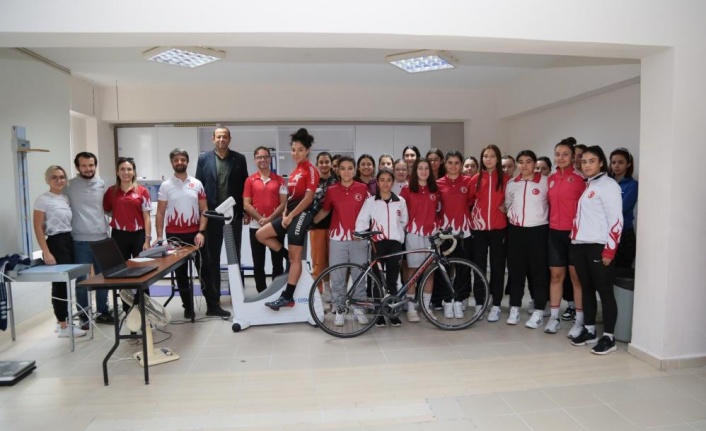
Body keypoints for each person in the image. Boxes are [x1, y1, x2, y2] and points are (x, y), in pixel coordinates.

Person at [257, 128, 319, 310]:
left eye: (300, 150)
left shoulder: (310, 170)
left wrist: (291, 215)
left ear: (307, 151)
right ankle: (288, 258)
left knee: (295, 258)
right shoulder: (294, 171)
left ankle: (288, 297)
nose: (296, 153)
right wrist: (285, 214)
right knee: (261, 235)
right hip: (289, 214)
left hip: (302, 215)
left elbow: (308, 198)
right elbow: (290, 197)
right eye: (293, 150)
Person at [569, 146, 623, 355]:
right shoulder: (589, 184)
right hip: (580, 246)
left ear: (601, 163)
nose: (587, 165)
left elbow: (616, 220)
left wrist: (610, 250)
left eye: (592, 161)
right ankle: (590, 331)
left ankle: (609, 337)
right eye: (583, 161)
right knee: (587, 289)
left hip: (598, 247)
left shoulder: (608, 185)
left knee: (605, 292)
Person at [195, 126, 248, 318]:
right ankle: (214, 299)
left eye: (225, 136)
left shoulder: (239, 159)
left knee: (235, 257)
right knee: (212, 259)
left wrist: (244, 211)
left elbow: (244, 187)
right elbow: (199, 188)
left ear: (229, 139)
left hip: (233, 216)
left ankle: (237, 295)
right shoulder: (204, 159)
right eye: (218, 137)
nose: (221, 139)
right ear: (213, 139)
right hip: (212, 216)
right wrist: (202, 214)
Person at [313, 156, 370, 324]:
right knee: (337, 275)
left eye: (350, 168)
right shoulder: (332, 190)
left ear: (354, 170)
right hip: (337, 238)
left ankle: (359, 309)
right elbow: (325, 211)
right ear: (338, 171)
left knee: (359, 274)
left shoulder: (363, 188)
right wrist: (309, 222)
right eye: (343, 168)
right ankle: (340, 309)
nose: (346, 172)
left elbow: (370, 212)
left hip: (358, 238)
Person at [33, 165, 87, 338]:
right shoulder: (42, 199)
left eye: (62, 177)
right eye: (54, 177)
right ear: (47, 179)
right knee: (60, 285)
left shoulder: (64, 198)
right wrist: (46, 252)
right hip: (55, 243)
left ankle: (60, 322)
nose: (59, 180)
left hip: (68, 241)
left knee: (66, 282)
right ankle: (64, 326)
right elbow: (38, 227)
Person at [154, 149, 208, 318]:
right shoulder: (166, 185)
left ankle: (212, 305)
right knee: (181, 273)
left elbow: (204, 210)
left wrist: (201, 232)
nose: (179, 162)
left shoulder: (197, 183)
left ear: (187, 162)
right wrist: (159, 237)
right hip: (174, 236)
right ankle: (188, 308)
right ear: (172, 163)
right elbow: (160, 213)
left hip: (195, 235)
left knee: (204, 270)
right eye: (176, 160)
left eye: (182, 159)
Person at [64, 152, 113, 327]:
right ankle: (84, 316)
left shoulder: (102, 185)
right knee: (82, 280)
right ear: (77, 167)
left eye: (91, 165)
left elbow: (108, 209)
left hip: (102, 238)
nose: (88, 169)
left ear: (95, 165)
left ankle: (102, 312)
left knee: (103, 278)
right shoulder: (68, 186)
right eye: (84, 165)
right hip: (80, 240)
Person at [356, 168, 408, 327]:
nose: (385, 183)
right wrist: (362, 233)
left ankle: (392, 313)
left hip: (395, 244)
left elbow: (404, 221)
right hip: (377, 244)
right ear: (377, 182)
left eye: (389, 180)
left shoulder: (400, 201)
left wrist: (397, 233)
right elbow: (362, 220)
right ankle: (378, 313)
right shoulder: (371, 201)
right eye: (382, 180)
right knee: (377, 280)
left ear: (393, 182)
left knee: (392, 280)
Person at [504, 150, 550, 328]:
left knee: (538, 272)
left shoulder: (545, 182)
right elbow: (508, 204)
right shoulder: (512, 183)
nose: (524, 165)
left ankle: (538, 310)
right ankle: (515, 308)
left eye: (528, 161)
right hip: (516, 231)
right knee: (516, 272)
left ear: (534, 163)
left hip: (538, 231)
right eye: (521, 162)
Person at [546, 137, 585, 337]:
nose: (561, 158)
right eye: (557, 154)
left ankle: (579, 321)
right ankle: (554, 318)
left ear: (572, 157)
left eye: (565, 154)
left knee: (576, 278)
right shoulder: (550, 179)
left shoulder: (580, 179)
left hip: (575, 235)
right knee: (555, 276)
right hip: (554, 233)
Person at [103, 157, 152, 311]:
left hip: (139, 236)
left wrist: (147, 240)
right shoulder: (111, 191)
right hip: (119, 236)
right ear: (117, 172)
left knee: (143, 273)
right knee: (122, 273)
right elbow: (107, 210)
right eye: (122, 169)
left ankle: (145, 310)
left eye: (129, 169)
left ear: (134, 172)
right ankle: (127, 310)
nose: (126, 172)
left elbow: (147, 217)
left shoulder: (142, 191)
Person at [468, 145, 507, 322]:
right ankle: (479, 303)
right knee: (479, 267)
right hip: (479, 230)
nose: (488, 159)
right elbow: (469, 201)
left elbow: (511, 201)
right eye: (485, 156)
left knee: (498, 268)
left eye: (492, 156)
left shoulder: (506, 179)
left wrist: (506, 208)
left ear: (497, 159)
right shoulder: (475, 179)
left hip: (499, 229)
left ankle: (496, 304)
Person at [400, 158, 440, 322]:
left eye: (426, 168)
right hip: (413, 234)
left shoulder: (435, 189)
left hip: (431, 235)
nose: (424, 171)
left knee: (430, 271)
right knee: (413, 271)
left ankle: (426, 307)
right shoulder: (407, 189)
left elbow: (440, 211)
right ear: (415, 171)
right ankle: (411, 308)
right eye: (420, 168)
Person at [436, 151, 475, 318]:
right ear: (445, 164)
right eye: (450, 162)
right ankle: (447, 301)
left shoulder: (468, 181)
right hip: (445, 234)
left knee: (462, 269)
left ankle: (459, 300)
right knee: (444, 268)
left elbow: (473, 202)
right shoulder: (438, 183)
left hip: (464, 232)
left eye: (457, 163)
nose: (453, 166)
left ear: (461, 164)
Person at [243, 147, 287, 293]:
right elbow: (246, 204)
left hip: (275, 226)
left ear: (270, 159)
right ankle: (261, 292)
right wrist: (261, 218)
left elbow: (283, 203)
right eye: (259, 157)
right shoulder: (250, 180)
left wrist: (270, 219)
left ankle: (276, 292)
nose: (262, 160)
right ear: (255, 160)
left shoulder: (280, 180)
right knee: (258, 262)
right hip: (256, 226)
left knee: (277, 261)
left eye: (265, 157)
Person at [309, 152, 337, 300]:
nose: (324, 165)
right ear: (317, 164)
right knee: (319, 262)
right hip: (317, 226)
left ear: (331, 164)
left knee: (333, 262)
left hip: (335, 226)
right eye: (321, 162)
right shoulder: (312, 181)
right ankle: (318, 294)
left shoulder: (337, 180)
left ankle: (331, 290)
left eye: (327, 162)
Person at [608, 147, 638, 270]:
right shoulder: (606, 183)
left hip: (624, 235)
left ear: (628, 164)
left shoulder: (632, 185)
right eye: (613, 162)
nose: (616, 166)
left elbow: (621, 208)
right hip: (605, 234)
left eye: (621, 162)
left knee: (621, 272)